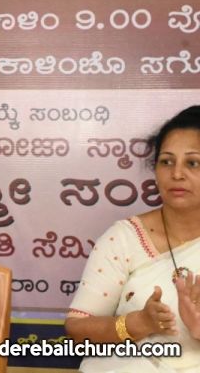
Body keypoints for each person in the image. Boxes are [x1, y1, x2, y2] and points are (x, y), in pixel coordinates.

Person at [65, 105, 200, 372]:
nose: (176, 174)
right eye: (166, 162)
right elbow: (77, 329)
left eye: (193, 163)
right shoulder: (124, 238)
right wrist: (138, 323)